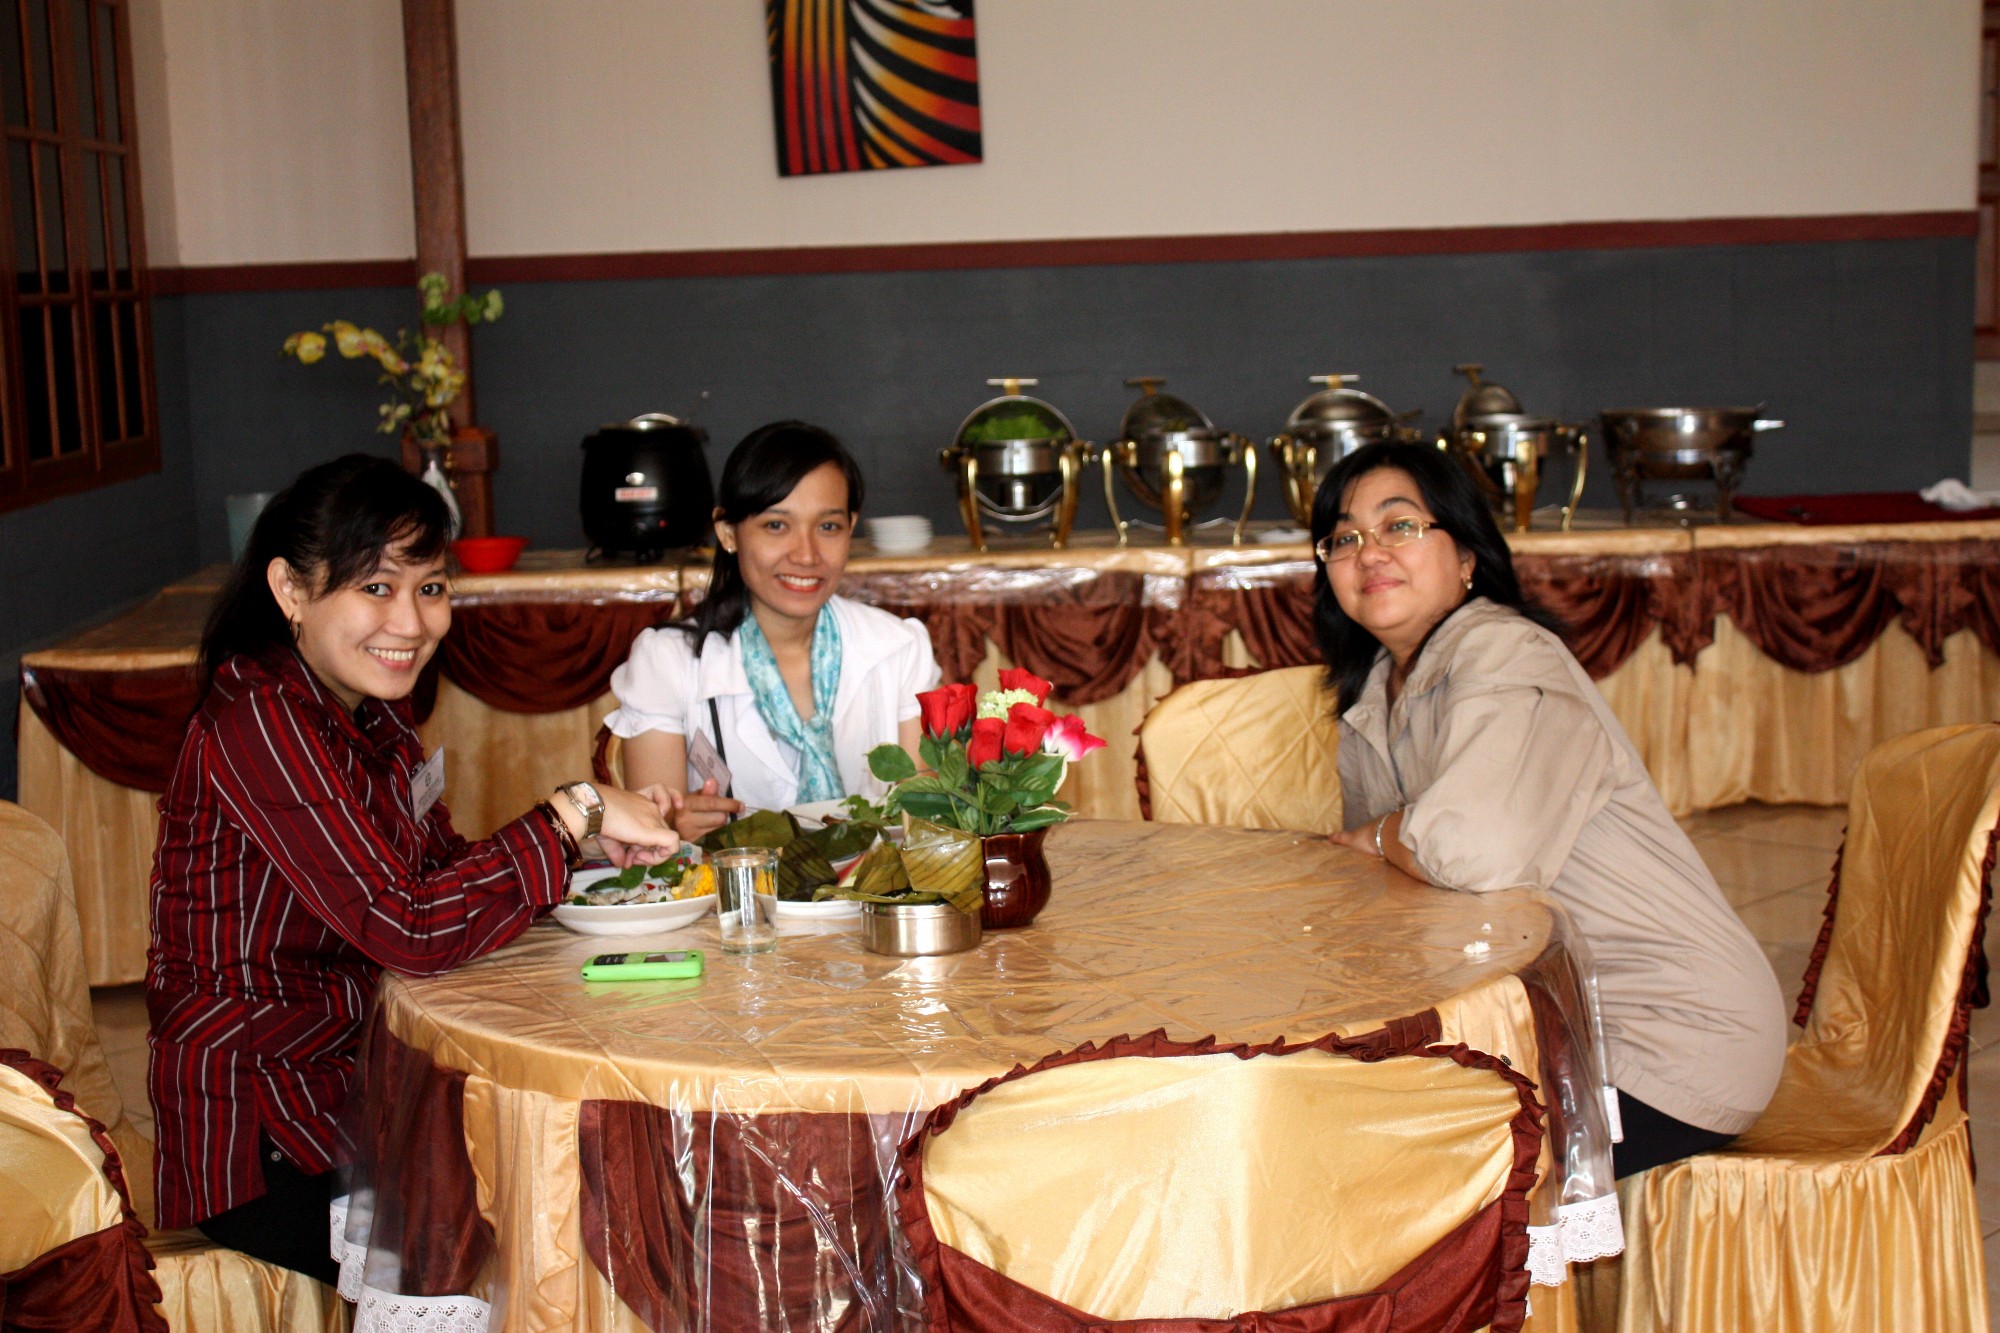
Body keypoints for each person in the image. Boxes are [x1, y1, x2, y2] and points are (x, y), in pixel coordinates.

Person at [147, 455, 679, 1282]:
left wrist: (581, 843)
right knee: (528, 1238)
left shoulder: (368, 711)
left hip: (360, 1085)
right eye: (375, 587)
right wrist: (574, 810)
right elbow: (410, 927)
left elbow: (437, 873)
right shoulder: (260, 719)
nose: (411, 621)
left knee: (585, 1174)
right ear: (290, 589)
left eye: (430, 588)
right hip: (268, 1131)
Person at [1312, 441, 1785, 1177]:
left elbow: (1472, 851)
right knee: (1328, 1108)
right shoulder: (1375, 693)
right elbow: (1397, 890)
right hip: (1547, 1022)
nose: (1369, 552)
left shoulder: (1505, 652)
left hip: (1666, 1039)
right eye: (1344, 538)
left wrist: (1378, 836)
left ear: (1467, 556)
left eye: (1400, 525)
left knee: (1388, 1168)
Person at [609, 421, 940, 839]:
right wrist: (675, 827)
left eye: (828, 527)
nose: (806, 555)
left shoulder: (899, 648)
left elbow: (922, 818)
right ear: (727, 532)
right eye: (776, 526)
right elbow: (649, 832)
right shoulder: (668, 660)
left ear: (851, 527)